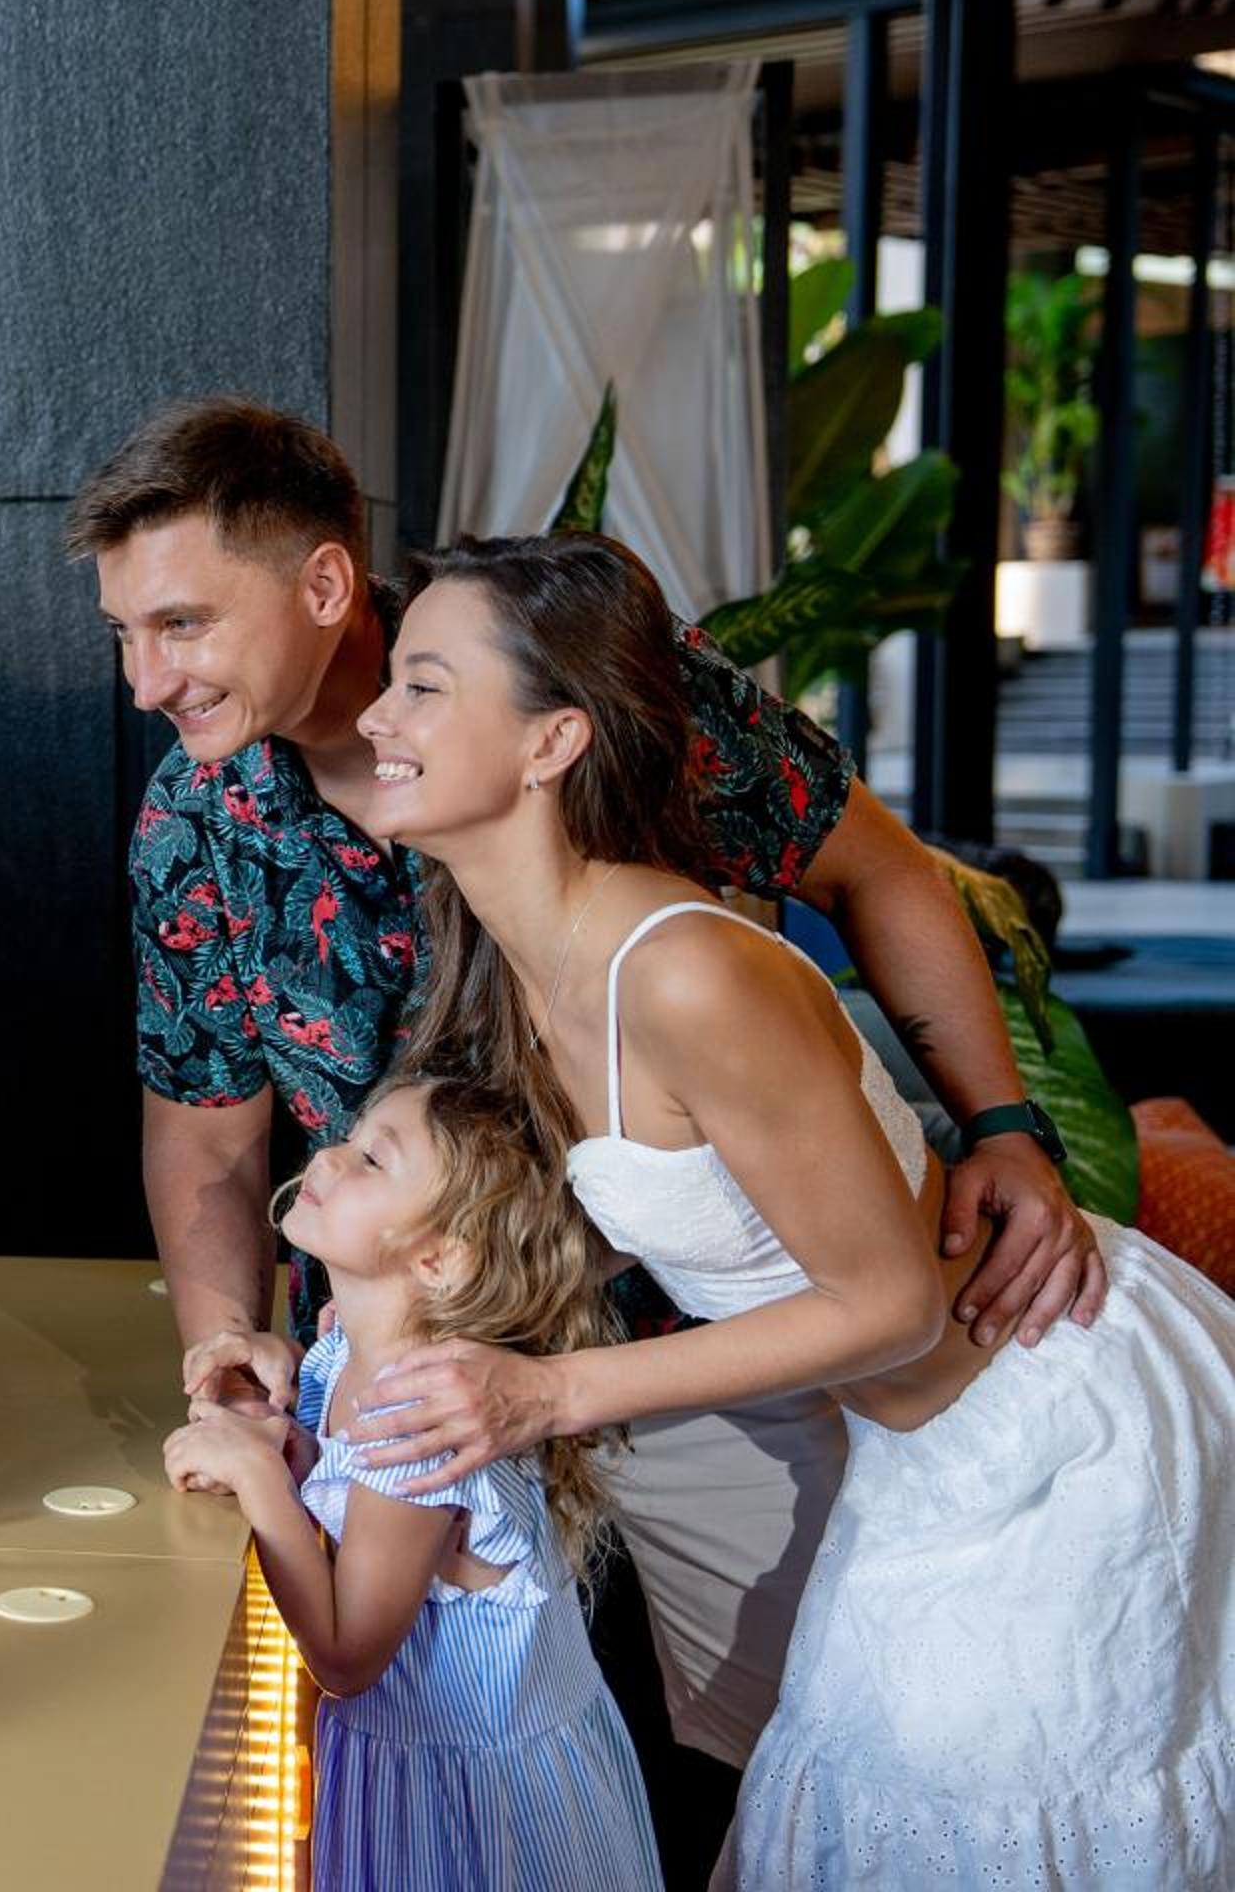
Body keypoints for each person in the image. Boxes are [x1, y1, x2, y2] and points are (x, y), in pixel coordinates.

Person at [75, 395, 1102, 1780]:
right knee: (452, 1790)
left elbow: (878, 870)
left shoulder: (560, 672)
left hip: (715, 1363)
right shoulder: (191, 830)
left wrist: (1005, 1125)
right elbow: (206, 1145)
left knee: (817, 1761)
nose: (146, 680)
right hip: (409, 1407)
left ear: (322, 583)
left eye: (182, 624)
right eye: (124, 634)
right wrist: (229, 1355)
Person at [345, 533, 1235, 1888]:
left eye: (422, 685)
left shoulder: (684, 974)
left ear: (552, 742)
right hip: (920, 1458)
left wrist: (547, 1395)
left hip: (1059, 1430)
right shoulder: (524, 961)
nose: (376, 718)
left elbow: (894, 1304)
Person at [166, 1072, 658, 1890]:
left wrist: (259, 1479)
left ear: (437, 1257)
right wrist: (289, 1432)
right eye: (350, 1140)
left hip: (466, 1815)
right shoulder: (346, 1355)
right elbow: (351, 1502)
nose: (328, 1156)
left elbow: (347, 1657)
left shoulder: (418, 1420)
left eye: (372, 1159)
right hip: (415, 1774)